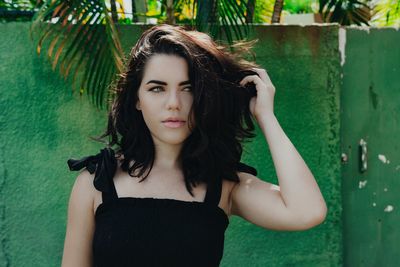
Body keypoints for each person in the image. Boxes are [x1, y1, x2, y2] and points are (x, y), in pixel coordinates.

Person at [61, 24, 327, 267]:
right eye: (157, 88)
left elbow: (307, 211)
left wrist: (266, 116)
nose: (174, 103)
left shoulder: (223, 186)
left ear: (203, 97)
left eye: (187, 88)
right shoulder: (96, 182)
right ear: (136, 99)